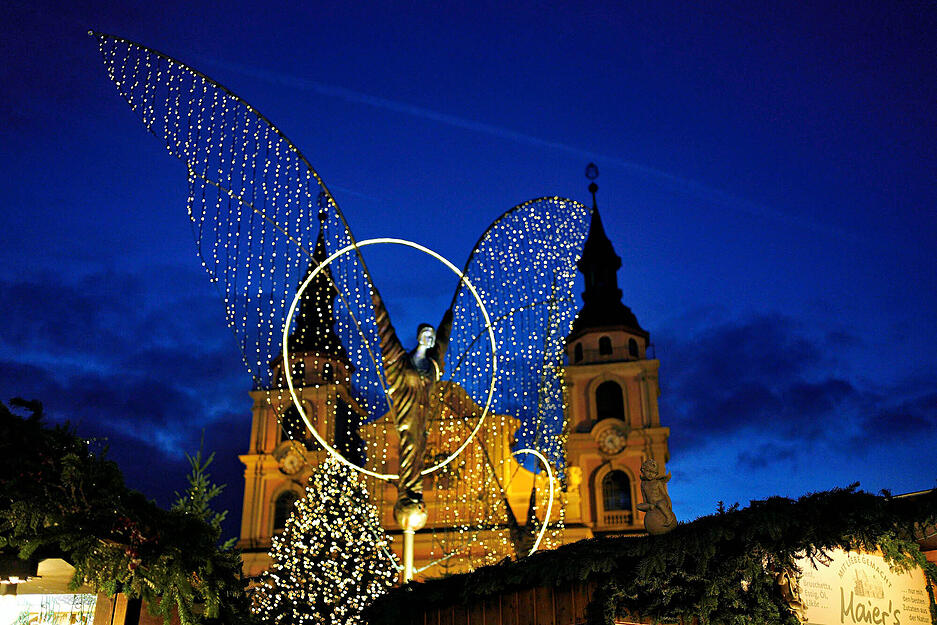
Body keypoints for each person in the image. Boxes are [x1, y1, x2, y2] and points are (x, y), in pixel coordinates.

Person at [371, 286, 452, 525]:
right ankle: (409, 492)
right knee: (409, 448)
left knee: (418, 451)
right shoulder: (402, 362)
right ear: (418, 336)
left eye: (432, 335)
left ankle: (413, 492)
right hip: (406, 414)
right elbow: (387, 334)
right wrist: (376, 299)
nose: (430, 337)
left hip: (422, 416)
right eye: (426, 333)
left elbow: (444, 340)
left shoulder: (433, 366)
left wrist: (449, 316)